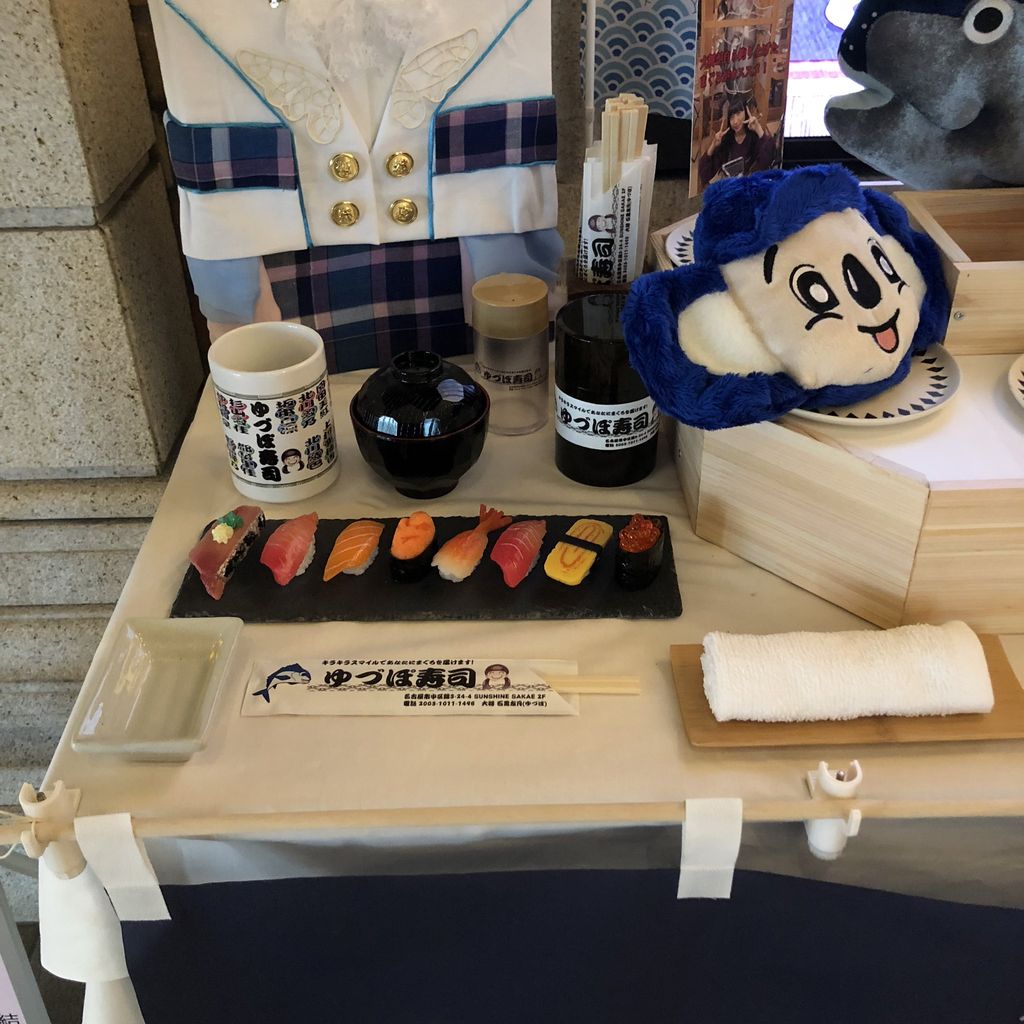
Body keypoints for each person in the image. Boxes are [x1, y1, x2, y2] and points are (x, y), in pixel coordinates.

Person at [698, 99, 776, 187]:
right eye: (731, 117)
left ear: (745, 113)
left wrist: (758, 128)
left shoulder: (754, 138)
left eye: (738, 114)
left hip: (750, 187)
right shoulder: (726, 141)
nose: (735, 121)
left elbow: (767, 161)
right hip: (730, 187)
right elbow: (704, 174)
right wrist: (713, 145)